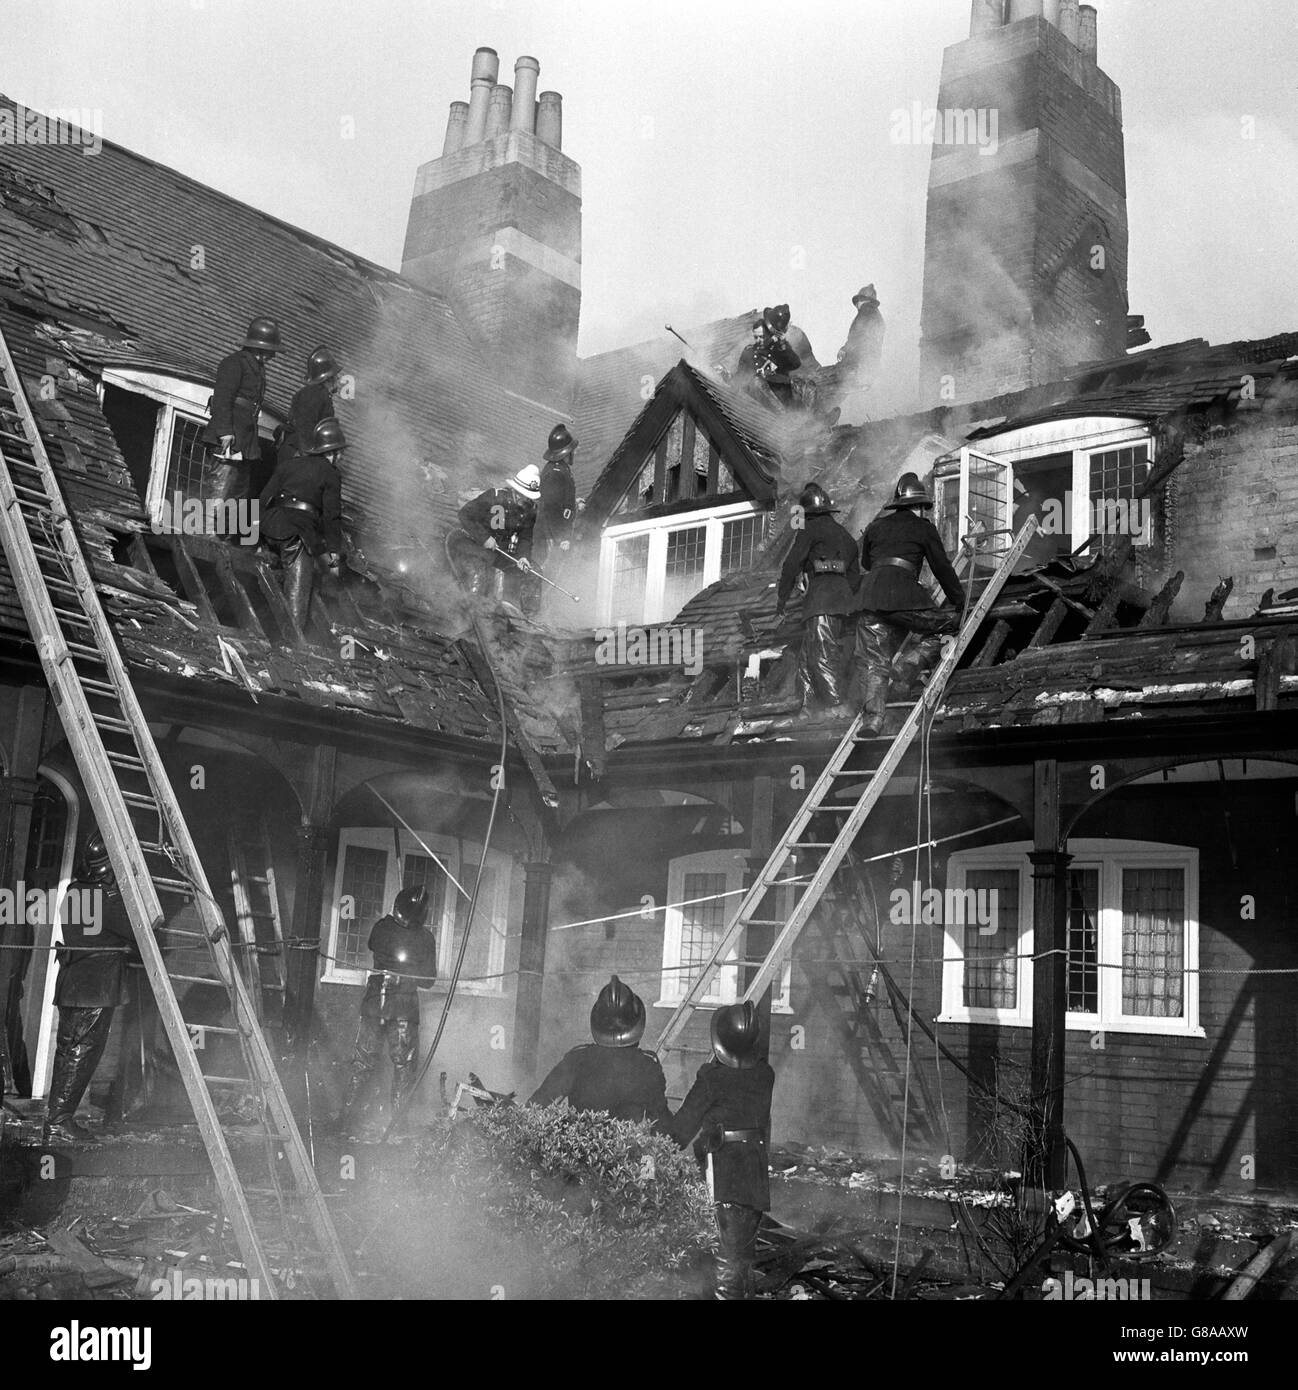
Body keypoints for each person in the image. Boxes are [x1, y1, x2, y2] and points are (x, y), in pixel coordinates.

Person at [668, 1001, 775, 1300]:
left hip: (722, 1185)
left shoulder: (712, 1079)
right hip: (753, 1187)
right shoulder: (766, 1075)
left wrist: (650, 1150)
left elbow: (679, 1131)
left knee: (723, 1274)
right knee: (739, 1266)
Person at [848, 472, 966, 736]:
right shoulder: (924, 528)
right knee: (946, 627)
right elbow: (942, 568)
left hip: (870, 599)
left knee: (875, 662)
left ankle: (873, 721)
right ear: (920, 506)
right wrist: (960, 600)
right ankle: (905, 667)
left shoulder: (875, 527)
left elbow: (866, 563)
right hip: (904, 597)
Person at [45, 832, 141, 1143]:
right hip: (95, 989)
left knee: (68, 1051)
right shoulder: (109, 900)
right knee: (81, 1053)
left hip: (73, 984)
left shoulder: (75, 892)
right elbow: (137, 934)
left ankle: (57, 1119)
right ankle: (59, 1122)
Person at [338, 886, 438, 1139]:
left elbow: (374, 945)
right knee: (404, 1067)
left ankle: (346, 1119)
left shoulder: (382, 928)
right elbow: (428, 981)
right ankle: (397, 1126)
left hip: (376, 1003)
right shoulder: (425, 938)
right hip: (404, 1006)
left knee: (362, 1063)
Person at [529, 976, 672, 1131]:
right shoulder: (648, 1065)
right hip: (629, 1152)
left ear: (597, 1021)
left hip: (578, 1151)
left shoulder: (577, 1059)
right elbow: (663, 1128)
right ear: (637, 1022)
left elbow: (537, 1105)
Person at [775, 482, 861, 719]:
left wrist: (782, 598)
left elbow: (791, 563)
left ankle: (839, 707)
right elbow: (854, 577)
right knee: (807, 656)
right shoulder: (846, 537)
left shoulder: (809, 529)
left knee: (820, 656)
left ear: (808, 514)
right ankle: (806, 707)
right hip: (843, 603)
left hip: (821, 601)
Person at [257, 416, 346, 631]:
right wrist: (334, 554)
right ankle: (292, 644)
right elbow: (331, 517)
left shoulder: (289, 465)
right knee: (297, 597)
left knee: (267, 586)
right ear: (333, 452)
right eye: (340, 452)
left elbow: (262, 499)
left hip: (269, 529)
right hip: (297, 536)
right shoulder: (331, 474)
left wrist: (254, 537)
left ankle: (266, 631)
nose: (341, 457)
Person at [202, 315, 280, 505]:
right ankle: (208, 534)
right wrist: (225, 432)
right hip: (229, 439)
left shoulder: (257, 369)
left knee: (236, 500)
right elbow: (222, 399)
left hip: (244, 443)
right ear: (258, 347)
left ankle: (225, 535)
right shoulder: (234, 363)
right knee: (219, 495)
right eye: (270, 350)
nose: (272, 356)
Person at [452, 464, 541, 614]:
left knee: (533, 571)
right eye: (522, 495)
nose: (524, 500)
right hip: (475, 547)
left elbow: (526, 537)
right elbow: (464, 515)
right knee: (479, 573)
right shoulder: (493, 496)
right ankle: (470, 614)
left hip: (502, 553)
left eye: (528, 497)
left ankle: (527, 618)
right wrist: (484, 538)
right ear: (515, 490)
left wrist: (524, 557)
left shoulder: (530, 510)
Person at [278, 346, 342, 461]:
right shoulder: (318, 394)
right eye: (335, 376)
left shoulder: (307, 393)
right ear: (328, 378)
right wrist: (307, 456)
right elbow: (305, 425)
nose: (337, 379)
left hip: (293, 449)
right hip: (299, 453)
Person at [535, 425, 579, 563]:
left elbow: (562, 500)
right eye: (572, 450)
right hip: (552, 536)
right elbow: (551, 507)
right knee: (552, 571)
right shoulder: (555, 473)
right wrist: (562, 537)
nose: (574, 453)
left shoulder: (559, 469)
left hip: (555, 533)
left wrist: (575, 503)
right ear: (566, 453)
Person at [837, 285, 885, 387]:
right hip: (871, 363)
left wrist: (844, 349)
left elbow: (857, 336)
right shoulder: (877, 315)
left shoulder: (865, 312)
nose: (856, 306)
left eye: (857, 302)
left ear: (861, 300)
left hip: (858, 363)